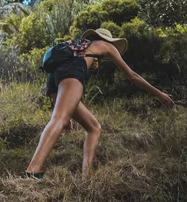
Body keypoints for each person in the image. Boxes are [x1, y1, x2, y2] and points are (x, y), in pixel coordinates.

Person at [25, 28, 175, 178]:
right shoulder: (106, 46)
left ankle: (86, 176)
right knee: (59, 119)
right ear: (108, 40)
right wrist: (158, 94)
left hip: (54, 76)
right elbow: (132, 76)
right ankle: (33, 170)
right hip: (71, 72)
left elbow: (58, 77)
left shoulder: (78, 46)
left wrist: (67, 112)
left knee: (94, 127)